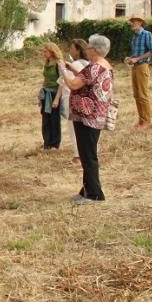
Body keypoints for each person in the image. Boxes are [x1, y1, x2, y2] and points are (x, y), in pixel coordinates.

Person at [63, 34, 115, 204]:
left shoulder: (94, 67)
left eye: (89, 47)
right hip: (96, 114)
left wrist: (63, 71)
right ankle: (86, 189)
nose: (87, 50)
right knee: (87, 154)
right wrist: (73, 69)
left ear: (94, 50)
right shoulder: (104, 66)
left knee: (88, 155)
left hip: (88, 115)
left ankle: (94, 194)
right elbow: (87, 80)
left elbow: (74, 84)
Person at [54, 39, 90, 166]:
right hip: (85, 100)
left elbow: (67, 81)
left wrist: (63, 68)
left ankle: (77, 156)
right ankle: (85, 153)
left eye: (72, 48)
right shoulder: (88, 63)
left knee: (74, 128)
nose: (70, 50)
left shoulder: (77, 64)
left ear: (78, 50)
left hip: (73, 99)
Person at [125, 15, 152, 129]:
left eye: (134, 22)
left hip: (142, 66)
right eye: (131, 22)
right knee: (136, 95)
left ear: (140, 23)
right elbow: (136, 54)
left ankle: (147, 121)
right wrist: (130, 59)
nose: (132, 24)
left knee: (143, 95)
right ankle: (141, 120)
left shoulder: (147, 34)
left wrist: (137, 59)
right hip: (135, 67)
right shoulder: (134, 36)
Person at [39, 42, 63, 150]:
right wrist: (41, 93)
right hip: (46, 93)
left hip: (54, 93)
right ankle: (47, 142)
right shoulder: (47, 63)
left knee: (54, 120)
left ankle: (55, 143)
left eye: (46, 51)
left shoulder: (59, 63)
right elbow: (46, 79)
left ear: (52, 51)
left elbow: (62, 82)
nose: (44, 53)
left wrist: (57, 98)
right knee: (45, 119)